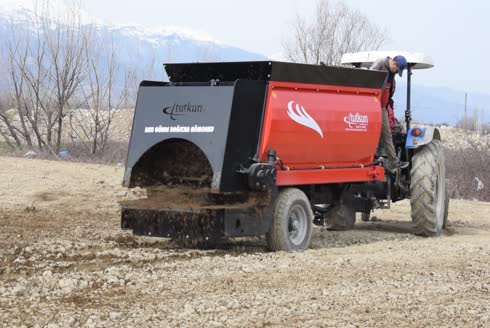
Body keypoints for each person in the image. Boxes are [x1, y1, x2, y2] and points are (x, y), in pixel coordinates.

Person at [370, 55, 409, 171]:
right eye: (397, 70)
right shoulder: (380, 64)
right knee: (371, 134)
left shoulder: (392, 76)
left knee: (387, 134)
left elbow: (388, 93)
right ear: (394, 63)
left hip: (382, 107)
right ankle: (368, 160)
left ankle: (394, 163)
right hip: (372, 105)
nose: (397, 73)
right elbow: (368, 80)